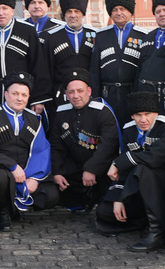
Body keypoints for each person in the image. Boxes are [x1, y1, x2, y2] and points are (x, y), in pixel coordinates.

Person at [97, 90, 165, 254]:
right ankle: (143, 220)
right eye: (138, 114)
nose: (143, 119)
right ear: (132, 116)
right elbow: (124, 170)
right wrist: (119, 197)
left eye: (148, 114)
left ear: (156, 113)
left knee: (143, 169)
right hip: (137, 182)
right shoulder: (129, 130)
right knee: (104, 212)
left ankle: (159, 233)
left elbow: (155, 158)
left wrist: (118, 162)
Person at [0, 71, 59, 232]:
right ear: (6, 94)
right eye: (15, 94)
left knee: (52, 195)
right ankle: (3, 212)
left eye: (24, 95)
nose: (20, 98)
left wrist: (35, 178)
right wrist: (12, 166)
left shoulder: (34, 119)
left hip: (26, 173)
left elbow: (41, 151)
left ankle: (17, 206)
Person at [49, 69, 120, 210]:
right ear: (66, 94)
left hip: (101, 169)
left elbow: (108, 145)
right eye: (71, 92)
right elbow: (56, 146)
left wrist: (91, 169)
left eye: (80, 91)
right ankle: (85, 198)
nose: (76, 96)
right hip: (76, 168)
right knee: (53, 192)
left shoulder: (102, 111)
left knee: (107, 211)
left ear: (89, 91)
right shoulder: (61, 113)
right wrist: (57, 172)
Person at [90, 0, 147, 127]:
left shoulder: (143, 36)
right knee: (109, 132)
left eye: (122, 8)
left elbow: (144, 69)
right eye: (114, 9)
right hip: (107, 95)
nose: (118, 13)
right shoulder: (101, 35)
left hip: (132, 93)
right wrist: (96, 98)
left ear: (130, 11)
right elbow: (94, 70)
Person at [42, 0, 97, 113]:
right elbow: (46, 70)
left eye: (77, 11)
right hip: (61, 95)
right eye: (69, 12)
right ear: (64, 15)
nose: (73, 15)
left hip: (89, 95)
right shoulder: (52, 37)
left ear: (83, 14)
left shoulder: (95, 35)